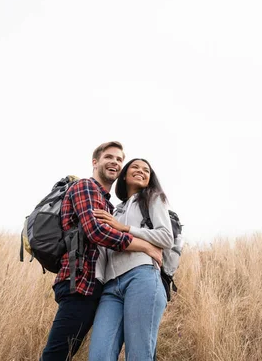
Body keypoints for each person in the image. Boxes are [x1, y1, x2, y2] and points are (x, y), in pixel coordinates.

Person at [40, 142, 163, 361]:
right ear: (95, 162)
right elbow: (96, 232)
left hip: (94, 286)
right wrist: (144, 245)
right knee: (57, 353)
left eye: (119, 159)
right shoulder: (86, 187)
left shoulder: (109, 205)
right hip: (79, 283)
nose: (115, 162)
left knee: (66, 351)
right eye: (109, 157)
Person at [88, 158, 173, 361]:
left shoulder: (153, 198)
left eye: (146, 170)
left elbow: (166, 237)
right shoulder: (113, 209)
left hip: (142, 277)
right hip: (111, 287)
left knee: (138, 355)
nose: (141, 171)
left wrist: (125, 228)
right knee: (99, 355)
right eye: (135, 167)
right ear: (124, 175)